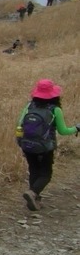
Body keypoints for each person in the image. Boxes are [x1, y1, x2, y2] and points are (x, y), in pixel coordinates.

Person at [15, 79, 79, 211]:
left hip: (27, 145)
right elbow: (63, 131)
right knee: (46, 173)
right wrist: (76, 128)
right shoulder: (55, 110)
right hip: (45, 147)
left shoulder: (29, 106)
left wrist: (20, 141)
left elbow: (19, 123)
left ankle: (35, 199)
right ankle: (33, 193)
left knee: (34, 169)